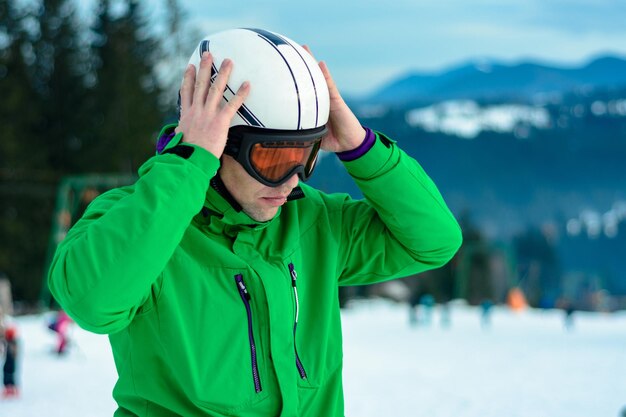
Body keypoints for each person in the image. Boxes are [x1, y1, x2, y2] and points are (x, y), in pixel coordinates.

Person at [48, 28, 462, 417]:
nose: (293, 181)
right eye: (275, 159)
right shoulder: (135, 219)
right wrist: (188, 163)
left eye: (307, 155)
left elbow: (434, 240)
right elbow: (91, 303)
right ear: (218, 140)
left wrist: (360, 145)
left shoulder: (312, 219)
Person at [2, 326, 18, 398]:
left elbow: (13, 352)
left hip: (10, 363)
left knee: (9, 376)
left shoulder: (12, 343)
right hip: (9, 363)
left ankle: (11, 389)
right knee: (7, 375)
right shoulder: (8, 342)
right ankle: (9, 388)